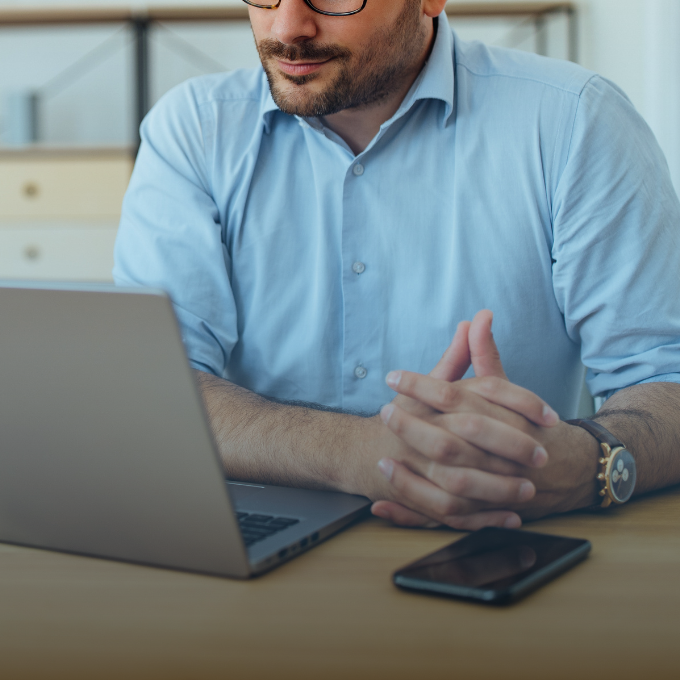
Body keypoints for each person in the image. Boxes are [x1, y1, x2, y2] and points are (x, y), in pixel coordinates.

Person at [114, 0, 680, 530]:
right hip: (251, 551)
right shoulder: (193, 130)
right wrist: (360, 453)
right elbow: (157, 390)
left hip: (497, 548)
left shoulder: (574, 122)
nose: (287, 28)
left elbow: (663, 375)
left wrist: (585, 464)